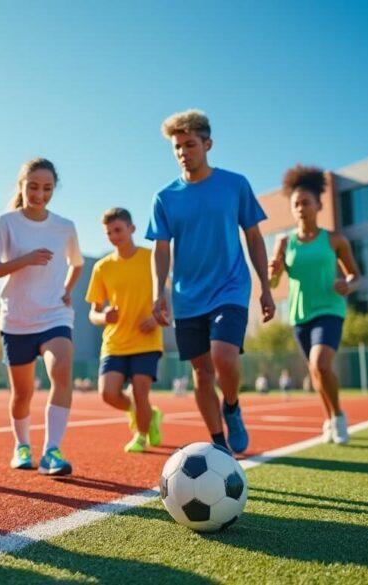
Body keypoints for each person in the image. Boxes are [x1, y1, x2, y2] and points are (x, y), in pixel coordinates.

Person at [148, 109, 275, 455]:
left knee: (223, 357)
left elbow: (254, 237)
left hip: (231, 287)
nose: (183, 153)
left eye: (190, 145)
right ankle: (219, 444)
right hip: (187, 296)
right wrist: (158, 291)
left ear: (208, 144)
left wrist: (265, 286)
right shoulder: (165, 197)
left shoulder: (235, 185)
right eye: (177, 147)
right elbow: (160, 250)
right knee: (202, 374)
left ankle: (231, 406)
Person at [0, 158, 83, 475]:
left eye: (47, 188)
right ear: (22, 185)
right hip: (17, 320)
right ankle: (21, 445)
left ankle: (52, 451)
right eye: (34, 187)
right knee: (23, 394)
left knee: (62, 371)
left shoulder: (65, 226)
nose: (40, 194)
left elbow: (76, 263)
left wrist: (67, 289)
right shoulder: (6, 223)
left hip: (55, 315)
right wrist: (25, 259)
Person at [269, 165, 361, 444]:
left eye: (306, 202)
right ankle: (330, 416)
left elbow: (354, 275)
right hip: (299, 315)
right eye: (296, 204)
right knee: (315, 372)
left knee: (320, 364)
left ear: (319, 205)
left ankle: (339, 417)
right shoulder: (284, 242)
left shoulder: (335, 240)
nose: (300, 208)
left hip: (330, 310)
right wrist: (273, 271)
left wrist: (347, 284)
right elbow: (274, 285)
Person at [85, 208, 164, 453]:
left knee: (141, 391)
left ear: (132, 229)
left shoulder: (152, 258)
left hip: (146, 339)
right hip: (115, 342)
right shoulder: (102, 267)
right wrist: (103, 316)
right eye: (109, 232)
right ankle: (147, 414)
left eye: (118, 230)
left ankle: (140, 435)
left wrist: (157, 318)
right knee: (108, 394)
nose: (114, 236)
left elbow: (168, 297)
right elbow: (93, 313)